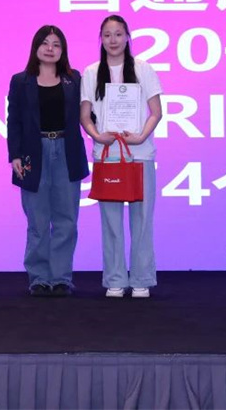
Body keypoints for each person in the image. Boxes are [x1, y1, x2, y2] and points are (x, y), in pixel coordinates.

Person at [80, 15, 163, 298]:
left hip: (140, 154)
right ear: (101, 39)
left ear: (127, 37)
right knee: (111, 222)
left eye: (118, 34)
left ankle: (141, 279)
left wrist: (140, 136)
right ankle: (115, 279)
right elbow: (84, 115)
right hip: (107, 154)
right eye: (107, 35)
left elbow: (156, 112)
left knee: (142, 220)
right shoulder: (91, 72)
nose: (113, 40)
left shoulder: (143, 68)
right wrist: (96, 135)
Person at [7, 25, 89, 297]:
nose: (50, 49)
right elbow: (14, 121)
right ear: (36, 47)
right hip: (33, 153)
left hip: (67, 150)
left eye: (56, 44)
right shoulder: (21, 81)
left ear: (63, 50)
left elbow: (90, 113)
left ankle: (61, 278)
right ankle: (39, 278)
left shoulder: (74, 79)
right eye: (45, 43)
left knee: (67, 220)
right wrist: (15, 155)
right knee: (38, 221)